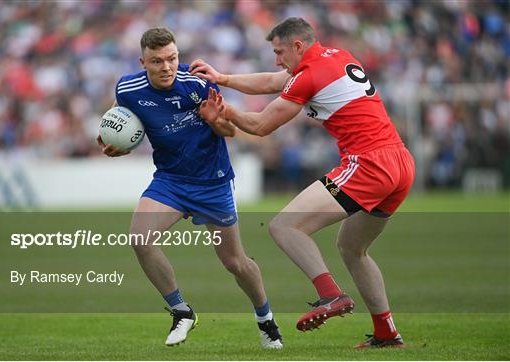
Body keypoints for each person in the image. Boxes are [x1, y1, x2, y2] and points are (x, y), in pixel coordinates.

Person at [190, 17, 415, 349]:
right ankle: (387, 333)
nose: (277, 59)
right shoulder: (336, 55)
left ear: (298, 45)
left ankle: (330, 295)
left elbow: (262, 125)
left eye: (280, 52)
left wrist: (225, 111)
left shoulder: (308, 76)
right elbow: (272, 80)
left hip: (368, 164)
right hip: (400, 162)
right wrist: (222, 78)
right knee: (353, 249)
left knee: (284, 227)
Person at [97, 27, 282, 349]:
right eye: (157, 61)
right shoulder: (127, 88)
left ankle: (265, 318)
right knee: (140, 239)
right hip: (170, 181)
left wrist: (215, 120)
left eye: (172, 59)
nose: (166, 67)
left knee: (235, 263)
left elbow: (229, 131)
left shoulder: (198, 81)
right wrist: (118, 144)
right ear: (143, 62)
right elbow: (125, 123)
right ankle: (181, 311)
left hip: (212, 182)